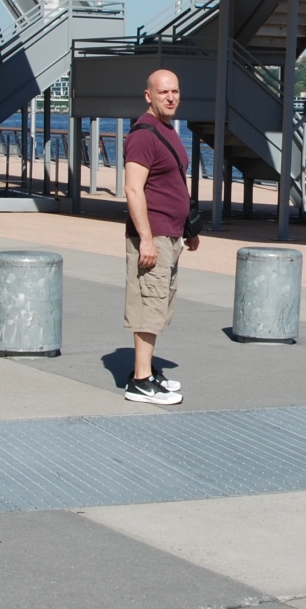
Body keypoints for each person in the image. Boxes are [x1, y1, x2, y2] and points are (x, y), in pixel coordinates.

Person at [122, 68, 198, 405]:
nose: (170, 97)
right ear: (148, 95)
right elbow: (133, 190)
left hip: (171, 233)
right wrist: (147, 240)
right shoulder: (143, 135)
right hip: (152, 236)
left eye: (175, 92)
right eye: (163, 92)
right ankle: (140, 382)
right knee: (149, 306)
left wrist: (189, 229)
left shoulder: (166, 130)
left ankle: (147, 370)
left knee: (161, 304)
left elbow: (174, 184)